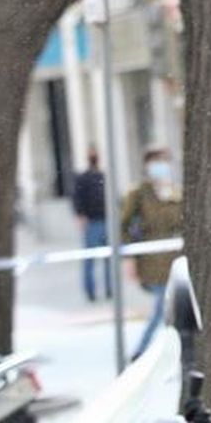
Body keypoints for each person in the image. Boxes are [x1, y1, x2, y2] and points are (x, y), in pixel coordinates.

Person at [121, 145, 183, 356]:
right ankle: (141, 353)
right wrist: (128, 258)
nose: (161, 166)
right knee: (161, 310)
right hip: (151, 262)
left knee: (171, 311)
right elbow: (124, 225)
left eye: (165, 161)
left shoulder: (175, 192)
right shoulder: (139, 193)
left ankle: (169, 353)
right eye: (157, 161)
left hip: (174, 261)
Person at [72, 150, 111, 302]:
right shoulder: (83, 178)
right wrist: (81, 216)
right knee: (90, 260)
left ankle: (109, 290)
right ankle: (90, 292)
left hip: (104, 221)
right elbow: (77, 199)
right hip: (92, 223)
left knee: (107, 259)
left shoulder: (102, 176)